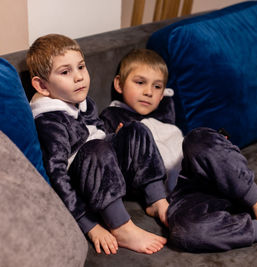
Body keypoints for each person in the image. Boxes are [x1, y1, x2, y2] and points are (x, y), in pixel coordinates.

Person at [99, 48, 257, 252]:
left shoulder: (164, 111)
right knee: (185, 233)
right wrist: (118, 139)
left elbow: (202, 143)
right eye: (140, 83)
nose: (149, 92)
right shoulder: (112, 118)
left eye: (157, 86)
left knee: (198, 138)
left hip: (204, 167)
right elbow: (103, 159)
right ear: (119, 84)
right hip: (180, 193)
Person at [26, 35, 169, 255]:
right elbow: (56, 175)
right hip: (87, 189)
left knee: (135, 129)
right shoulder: (49, 121)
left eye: (81, 67)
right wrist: (89, 225)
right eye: (66, 72)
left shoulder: (83, 101)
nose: (78, 77)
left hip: (110, 174)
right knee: (96, 148)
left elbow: (98, 132)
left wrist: (118, 139)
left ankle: (156, 199)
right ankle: (121, 226)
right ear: (42, 85)